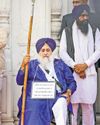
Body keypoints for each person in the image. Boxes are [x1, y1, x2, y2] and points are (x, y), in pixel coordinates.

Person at [16, 38, 77, 125]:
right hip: (35, 97)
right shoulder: (32, 65)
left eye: (48, 50)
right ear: (39, 52)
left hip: (57, 95)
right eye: (43, 50)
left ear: (52, 51)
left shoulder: (60, 64)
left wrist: (69, 91)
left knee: (61, 103)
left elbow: (72, 82)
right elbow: (19, 81)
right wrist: (22, 66)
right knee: (34, 107)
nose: (45, 53)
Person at [59, 4, 100, 125]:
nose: (85, 18)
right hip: (73, 74)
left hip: (89, 73)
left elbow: (98, 51)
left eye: (86, 15)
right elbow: (62, 52)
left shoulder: (94, 30)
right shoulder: (67, 31)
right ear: (77, 16)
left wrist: (86, 65)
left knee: (88, 106)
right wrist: (76, 66)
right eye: (82, 16)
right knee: (73, 105)